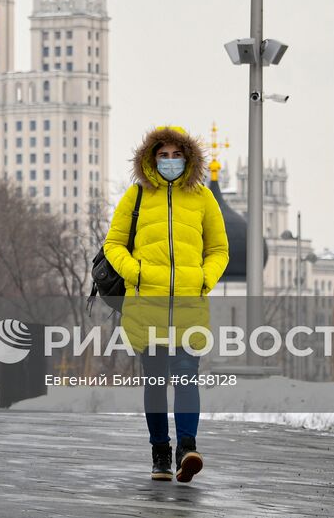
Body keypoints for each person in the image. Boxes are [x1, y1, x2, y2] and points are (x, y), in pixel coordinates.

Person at [103, 125, 229, 483]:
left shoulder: (203, 198)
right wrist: (137, 273)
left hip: (189, 305)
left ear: (188, 159)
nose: (170, 161)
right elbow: (113, 244)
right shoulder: (137, 196)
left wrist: (203, 279)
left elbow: (219, 250)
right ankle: (160, 451)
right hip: (148, 305)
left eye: (176, 155)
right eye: (163, 155)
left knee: (187, 376)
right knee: (156, 382)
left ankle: (187, 448)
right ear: (151, 158)